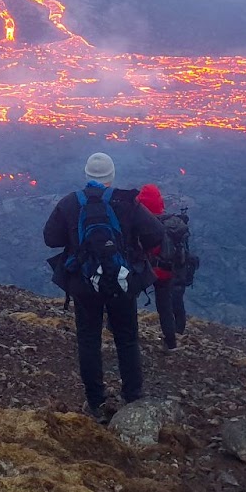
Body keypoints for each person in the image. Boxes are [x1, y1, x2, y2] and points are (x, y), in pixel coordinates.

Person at [43, 152, 164, 421]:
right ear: (111, 177)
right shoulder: (127, 203)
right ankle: (132, 396)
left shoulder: (70, 203)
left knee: (89, 340)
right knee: (127, 339)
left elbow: (50, 238)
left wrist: (78, 244)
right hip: (121, 282)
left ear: (86, 175)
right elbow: (156, 232)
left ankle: (96, 403)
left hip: (85, 285)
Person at [135, 183, 188, 350]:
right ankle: (170, 341)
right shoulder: (170, 223)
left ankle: (114, 329)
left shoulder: (141, 222)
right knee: (164, 305)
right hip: (165, 272)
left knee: (127, 297)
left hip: (145, 269)